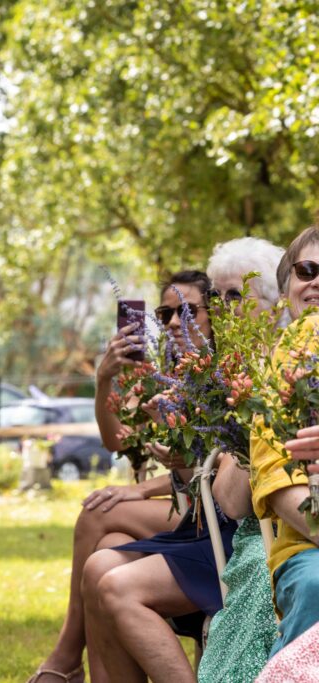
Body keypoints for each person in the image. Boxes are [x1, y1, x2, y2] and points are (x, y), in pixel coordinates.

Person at [81, 271, 237, 683]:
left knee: (98, 520)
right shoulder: (167, 375)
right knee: (103, 553)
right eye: (165, 313)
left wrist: (144, 485)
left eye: (185, 312)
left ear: (215, 314)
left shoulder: (228, 376)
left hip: (220, 524)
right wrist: (104, 380)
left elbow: (217, 475)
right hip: (194, 511)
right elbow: (118, 441)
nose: (171, 323)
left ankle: (64, 657)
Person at [197, 237, 284, 683]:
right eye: (217, 297)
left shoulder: (296, 359)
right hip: (263, 531)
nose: (223, 307)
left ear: (272, 302)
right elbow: (231, 503)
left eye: (237, 294)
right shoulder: (233, 374)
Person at [250, 225, 319, 658]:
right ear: (286, 289)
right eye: (307, 269)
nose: (316, 282)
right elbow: (279, 488)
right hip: (311, 546)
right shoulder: (275, 373)